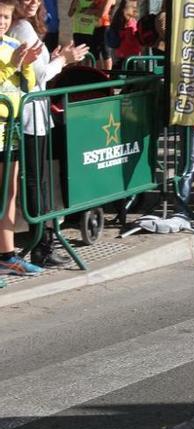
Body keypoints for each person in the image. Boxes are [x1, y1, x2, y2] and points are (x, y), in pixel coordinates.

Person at [11, 0, 88, 267]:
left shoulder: (26, 26)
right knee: (35, 183)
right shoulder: (20, 27)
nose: (31, 3)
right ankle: (41, 247)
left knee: (38, 182)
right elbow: (37, 76)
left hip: (36, 116)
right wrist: (62, 60)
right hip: (29, 117)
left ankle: (42, 245)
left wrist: (57, 58)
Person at [0, 0, 43, 281]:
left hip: (10, 130)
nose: (2, 22)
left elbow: (26, 85)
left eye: (4, 17)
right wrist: (11, 66)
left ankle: (7, 256)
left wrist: (25, 65)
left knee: (9, 194)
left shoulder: (12, 44)